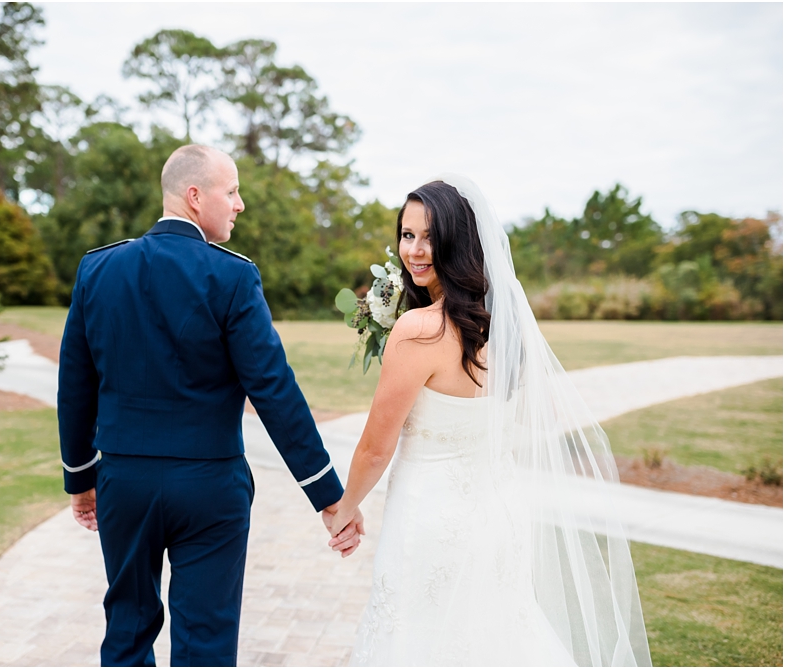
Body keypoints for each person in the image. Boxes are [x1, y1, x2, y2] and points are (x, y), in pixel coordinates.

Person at [57, 144, 363, 667]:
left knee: (125, 635)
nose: (240, 204)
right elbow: (274, 390)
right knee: (206, 646)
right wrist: (328, 497)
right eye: (233, 190)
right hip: (209, 490)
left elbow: (74, 386)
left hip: (123, 486)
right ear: (194, 197)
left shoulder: (98, 268)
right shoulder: (233, 276)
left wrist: (81, 481)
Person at [326, 177, 652, 666]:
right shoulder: (503, 328)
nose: (415, 250)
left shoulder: (418, 330)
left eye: (429, 237)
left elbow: (376, 448)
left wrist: (344, 508)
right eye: (407, 234)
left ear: (459, 241)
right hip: (499, 522)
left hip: (430, 525)